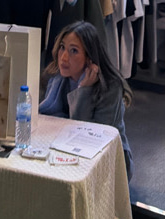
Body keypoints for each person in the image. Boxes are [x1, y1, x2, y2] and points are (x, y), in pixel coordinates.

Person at [40, 20, 133, 180]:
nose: (64, 57)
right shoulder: (55, 77)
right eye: (62, 47)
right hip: (64, 146)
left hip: (108, 158)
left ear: (89, 58)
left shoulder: (110, 87)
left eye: (74, 51)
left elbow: (91, 138)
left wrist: (84, 90)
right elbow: (45, 119)